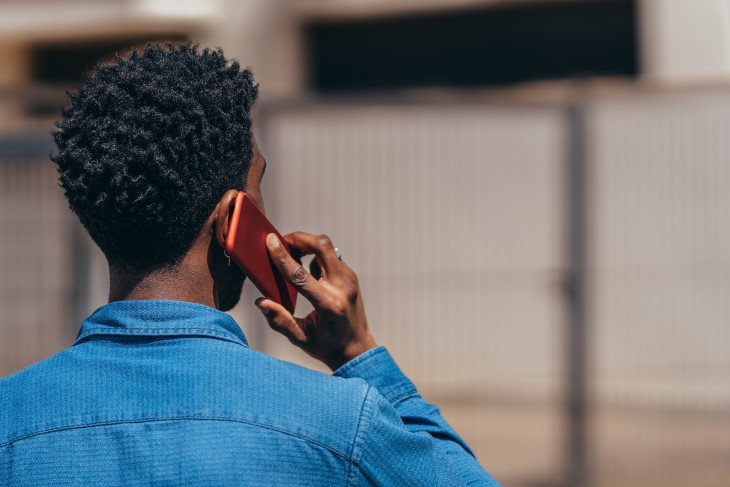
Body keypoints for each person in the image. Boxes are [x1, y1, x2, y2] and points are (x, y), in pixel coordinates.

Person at [0, 43, 500, 486]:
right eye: (258, 181)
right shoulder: (345, 425)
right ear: (228, 221)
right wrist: (359, 354)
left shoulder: (9, 423)